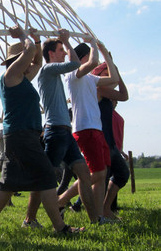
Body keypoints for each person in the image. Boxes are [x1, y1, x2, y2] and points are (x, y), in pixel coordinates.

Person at [0, 25, 84, 234]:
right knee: (46, 176)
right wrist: (24, 37)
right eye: (24, 58)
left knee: (8, 183)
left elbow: (36, 60)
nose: (31, 63)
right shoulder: (11, 75)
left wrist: (36, 41)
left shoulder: (22, 78)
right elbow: (30, 55)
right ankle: (60, 228)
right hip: (21, 135)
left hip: (20, 135)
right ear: (17, 60)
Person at [28, 29, 100, 225]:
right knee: (46, 178)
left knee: (84, 174)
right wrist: (67, 42)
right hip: (55, 131)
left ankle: (95, 219)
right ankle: (30, 218)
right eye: (60, 50)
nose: (64, 53)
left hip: (65, 132)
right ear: (51, 53)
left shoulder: (53, 74)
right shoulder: (47, 70)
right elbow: (76, 64)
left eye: (63, 49)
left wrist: (66, 43)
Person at [59, 39, 118, 219]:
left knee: (101, 175)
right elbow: (93, 62)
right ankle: (60, 201)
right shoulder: (73, 75)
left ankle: (99, 216)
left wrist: (106, 53)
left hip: (95, 128)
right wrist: (95, 45)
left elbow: (114, 79)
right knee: (97, 173)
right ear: (84, 57)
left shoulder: (91, 78)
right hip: (85, 128)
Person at [91, 63, 129, 219]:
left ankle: (105, 209)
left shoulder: (105, 91)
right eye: (107, 73)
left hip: (110, 143)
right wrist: (115, 75)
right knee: (96, 178)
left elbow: (124, 95)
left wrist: (117, 75)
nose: (110, 76)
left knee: (121, 174)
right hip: (100, 141)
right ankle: (64, 199)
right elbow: (123, 96)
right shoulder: (99, 89)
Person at [0, 120, 15, 207]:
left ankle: (8, 201)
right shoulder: (1, 133)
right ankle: (5, 202)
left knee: (8, 180)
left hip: (8, 159)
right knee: (5, 181)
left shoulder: (9, 133)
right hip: (2, 159)